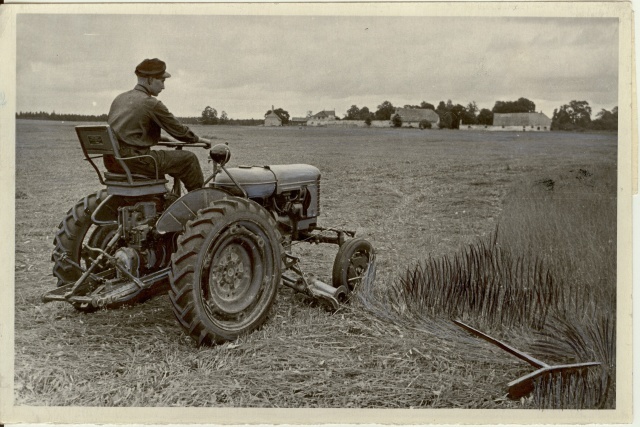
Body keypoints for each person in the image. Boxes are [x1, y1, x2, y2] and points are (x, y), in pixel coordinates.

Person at [105, 58, 212, 192]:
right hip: (137, 161)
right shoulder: (151, 103)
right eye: (162, 81)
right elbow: (180, 132)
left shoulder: (120, 99)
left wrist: (164, 139)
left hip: (113, 162)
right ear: (150, 79)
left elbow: (127, 132)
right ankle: (199, 201)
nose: (163, 86)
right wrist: (201, 140)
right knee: (189, 159)